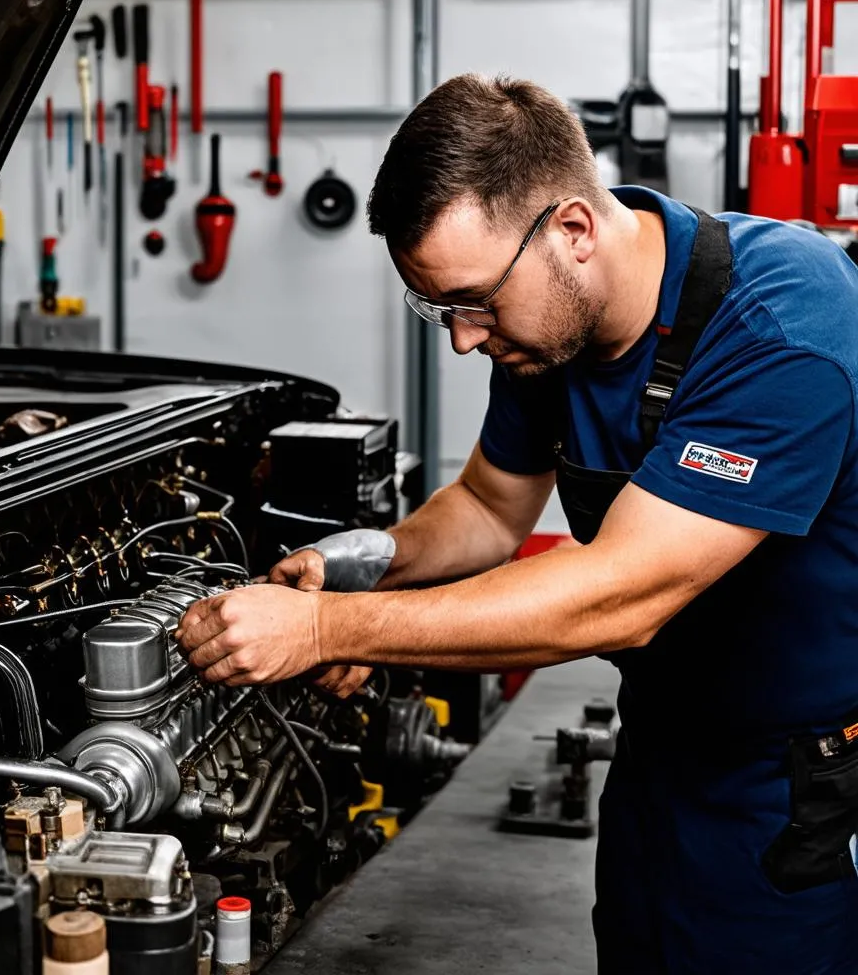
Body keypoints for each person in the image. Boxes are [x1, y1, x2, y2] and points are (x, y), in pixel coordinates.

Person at [176, 74, 858, 973]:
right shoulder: (548, 330)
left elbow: (621, 595)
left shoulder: (782, 327)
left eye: (474, 301)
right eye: (438, 309)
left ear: (572, 230)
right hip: (660, 752)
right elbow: (491, 509)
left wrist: (328, 630)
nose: (463, 339)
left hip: (793, 786)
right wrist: (371, 566)